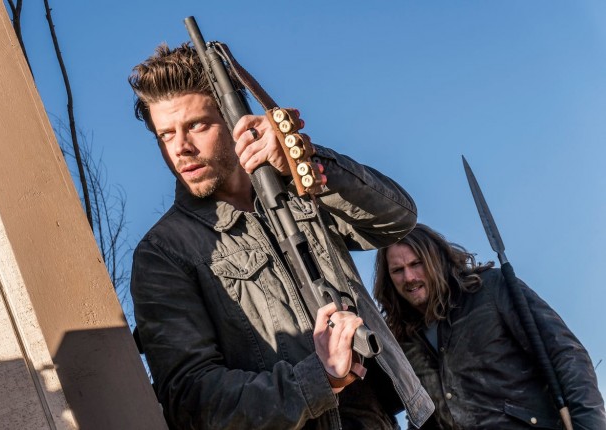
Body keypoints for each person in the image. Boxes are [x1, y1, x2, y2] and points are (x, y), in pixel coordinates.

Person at [128, 42, 434, 429]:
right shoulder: (164, 252)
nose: (181, 148)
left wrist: (301, 163)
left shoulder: (297, 190)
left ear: (234, 120)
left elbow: (397, 219)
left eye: (197, 125)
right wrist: (318, 379)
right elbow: (190, 399)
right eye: (165, 135)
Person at [373, 223, 606, 429]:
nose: (409, 277)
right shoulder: (402, 342)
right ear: (388, 278)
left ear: (435, 260)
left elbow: (567, 355)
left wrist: (589, 426)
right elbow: (425, 417)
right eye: (398, 270)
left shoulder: (490, 289)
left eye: (417, 264)